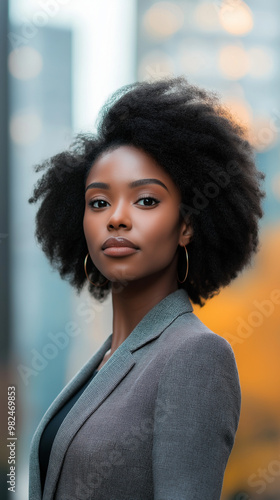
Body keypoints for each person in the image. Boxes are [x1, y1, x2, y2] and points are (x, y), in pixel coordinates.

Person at [28, 76, 265, 500]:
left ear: (187, 225)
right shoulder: (104, 359)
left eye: (146, 201)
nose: (116, 218)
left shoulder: (196, 356)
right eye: (99, 202)